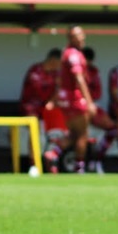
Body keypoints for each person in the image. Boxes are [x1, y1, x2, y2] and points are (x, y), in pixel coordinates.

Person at [48, 26, 96, 175]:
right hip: (75, 98)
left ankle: (54, 153)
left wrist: (55, 99)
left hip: (65, 99)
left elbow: (61, 80)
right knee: (83, 134)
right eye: (78, 35)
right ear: (70, 38)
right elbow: (78, 78)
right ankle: (79, 168)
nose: (82, 37)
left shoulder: (66, 53)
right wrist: (89, 102)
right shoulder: (74, 55)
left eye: (82, 34)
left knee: (73, 134)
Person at [81, 47, 118, 173]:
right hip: (76, 108)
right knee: (76, 136)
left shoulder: (94, 72)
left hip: (91, 106)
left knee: (113, 129)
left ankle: (97, 159)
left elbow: (98, 93)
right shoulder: (72, 71)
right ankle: (79, 166)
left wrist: (88, 98)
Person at [19, 48, 61, 118]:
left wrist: (51, 101)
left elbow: (60, 90)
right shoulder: (36, 70)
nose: (61, 66)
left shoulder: (56, 73)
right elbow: (38, 91)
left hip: (47, 106)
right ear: (53, 61)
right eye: (61, 63)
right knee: (32, 115)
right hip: (31, 107)